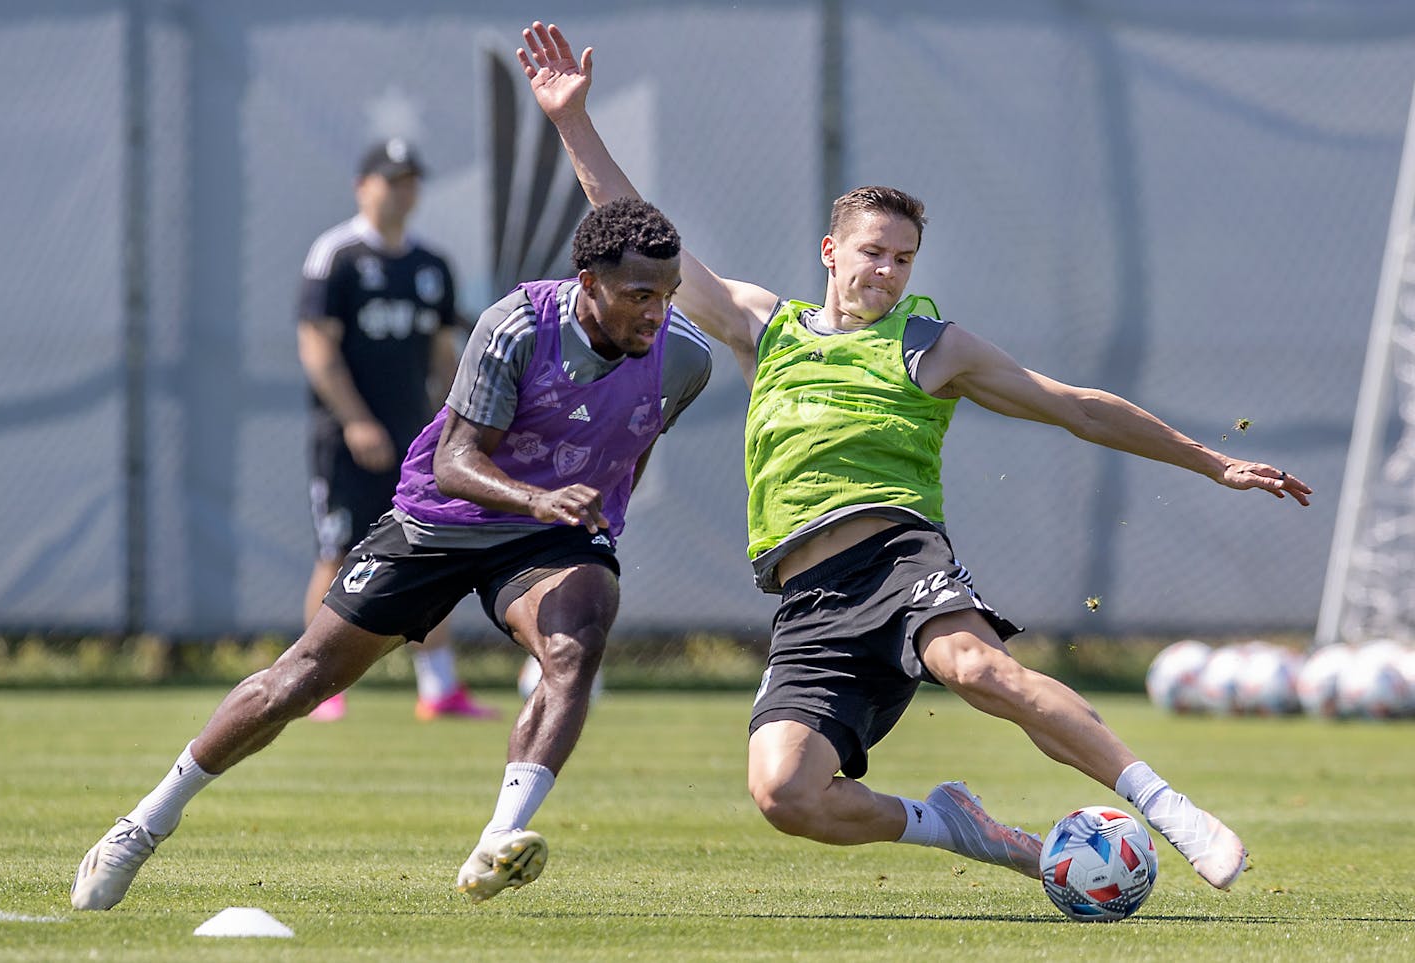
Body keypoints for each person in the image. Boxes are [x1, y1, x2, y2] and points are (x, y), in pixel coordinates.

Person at [518, 21, 1313, 892]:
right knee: (785, 792)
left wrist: (1211, 461)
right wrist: (571, 122)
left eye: (902, 259)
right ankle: (961, 828)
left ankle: (1170, 809)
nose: (887, 273)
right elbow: (643, 239)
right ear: (832, 252)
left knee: (973, 668)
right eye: (872, 254)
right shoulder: (766, 327)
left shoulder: (929, 345)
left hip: (897, 551)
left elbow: (1074, 407)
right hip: (806, 595)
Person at [70, 195, 713, 910]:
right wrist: (539, 498)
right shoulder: (518, 325)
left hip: (549, 534)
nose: (656, 314)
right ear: (589, 283)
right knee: (300, 680)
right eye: (639, 296)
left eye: (668, 295)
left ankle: (500, 837)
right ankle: (143, 822)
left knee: (577, 636)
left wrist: (594, 523)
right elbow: (454, 462)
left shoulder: (685, 356)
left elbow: (637, 434)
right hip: (443, 520)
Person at [298, 137, 495, 722]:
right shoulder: (335, 255)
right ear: (363, 185)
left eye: (410, 179)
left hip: (416, 439)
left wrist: (451, 426)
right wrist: (356, 420)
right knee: (336, 554)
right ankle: (318, 684)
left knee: (428, 550)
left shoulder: (429, 266)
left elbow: (442, 355)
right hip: (345, 439)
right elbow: (317, 349)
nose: (402, 190)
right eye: (390, 178)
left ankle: (438, 689)